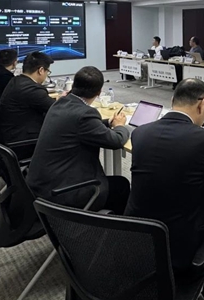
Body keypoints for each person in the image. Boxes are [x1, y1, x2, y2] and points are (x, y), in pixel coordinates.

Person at [125, 79, 204, 300]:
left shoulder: (140, 133)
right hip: (178, 248)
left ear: (173, 100)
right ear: (202, 104)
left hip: (136, 238)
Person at [27, 67, 130, 213]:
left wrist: (107, 123)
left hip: (41, 184)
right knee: (121, 185)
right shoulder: (85, 114)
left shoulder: (61, 102)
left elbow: (78, 126)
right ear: (99, 92)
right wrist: (120, 126)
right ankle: (109, 225)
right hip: (61, 192)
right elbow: (116, 141)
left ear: (74, 85)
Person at [0, 51, 55, 145]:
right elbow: (57, 109)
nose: (46, 75)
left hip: (5, 137)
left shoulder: (16, 80)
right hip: (19, 143)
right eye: (48, 72)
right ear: (41, 70)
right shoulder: (32, 89)